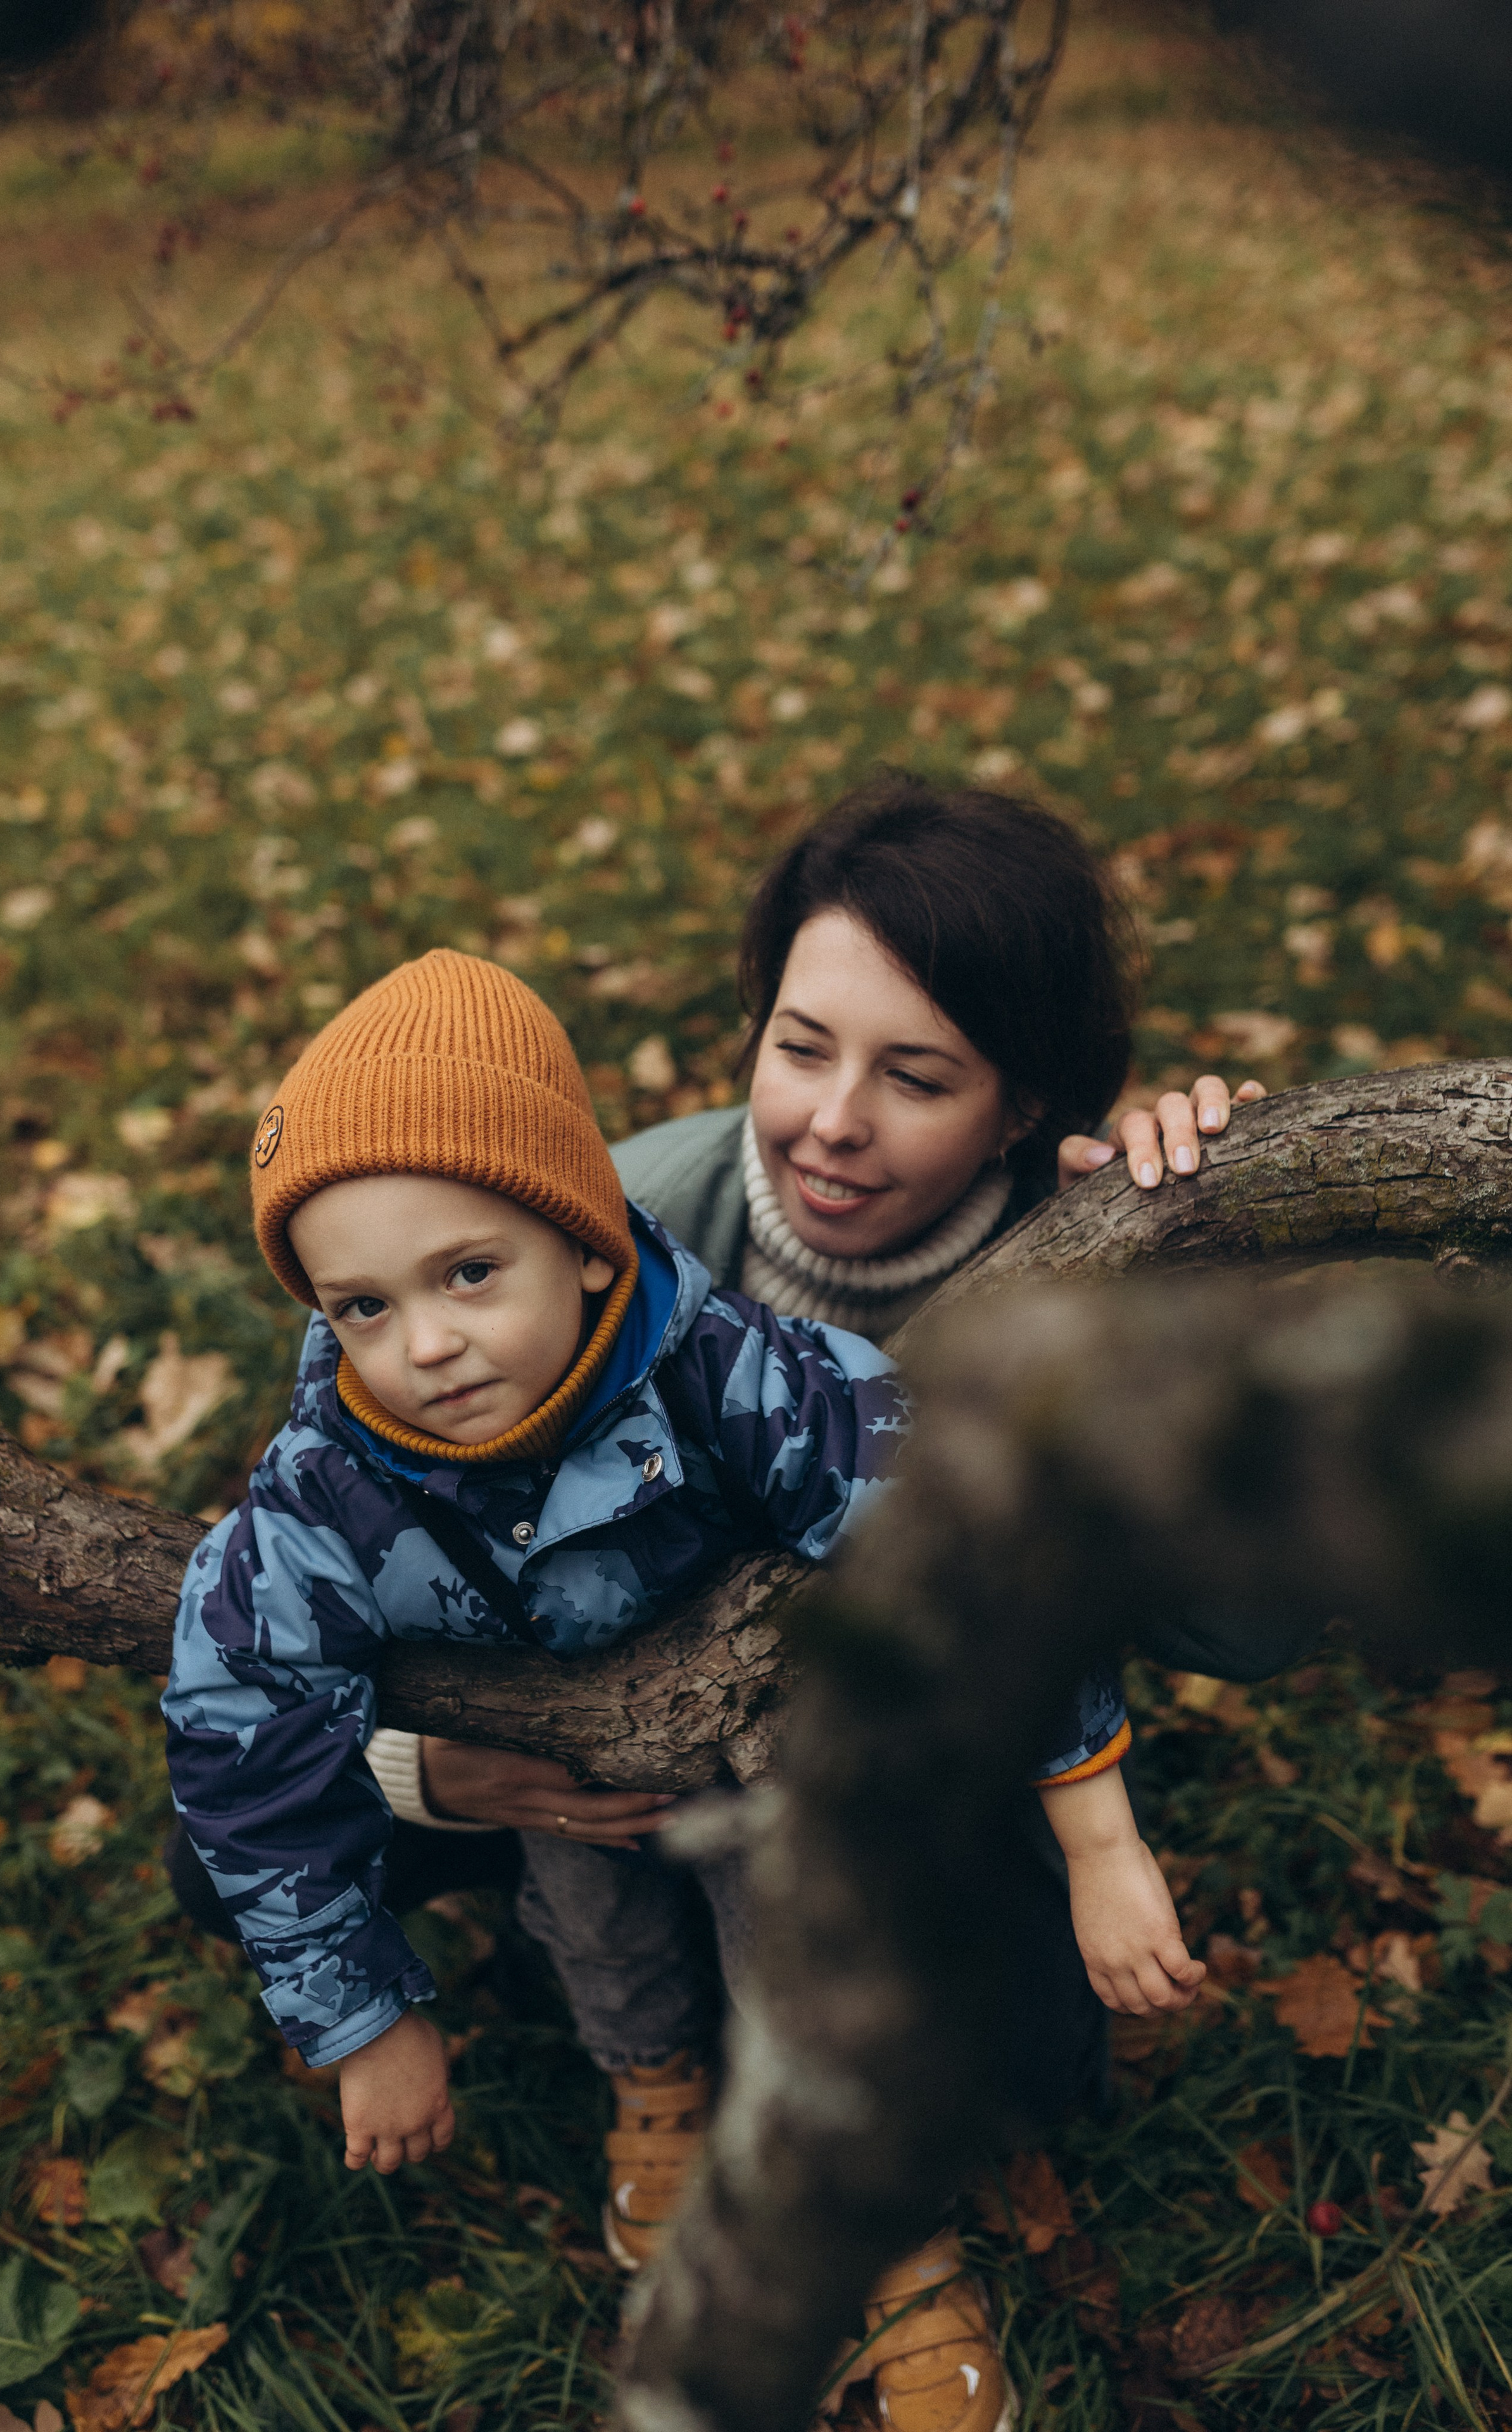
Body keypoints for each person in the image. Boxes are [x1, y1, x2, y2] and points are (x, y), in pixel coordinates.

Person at [356, 774, 1311, 2431]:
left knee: (1027, 2071)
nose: (831, 1122)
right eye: (802, 1046)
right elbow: (350, 1551)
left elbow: (1248, 1632)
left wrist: (1203, 1331)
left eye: (917, 1076)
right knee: (261, 1817)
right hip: (586, 1730)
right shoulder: (615, 1229)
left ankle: (839, 2155)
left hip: (891, 1784)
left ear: (1021, 1109)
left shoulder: (1090, 1273)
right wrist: (449, 1774)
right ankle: (632, 2037)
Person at [162, 941, 1185, 2432]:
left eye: (465, 1275)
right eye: (362, 1309)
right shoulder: (329, 1486)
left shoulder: (734, 1374)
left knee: (821, 1956)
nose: (426, 1345)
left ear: (585, 1242)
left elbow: (972, 1553)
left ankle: (876, 2210)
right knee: (594, 1931)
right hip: (552, 1793)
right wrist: (364, 2016)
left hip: (774, 1772)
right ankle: (652, 2092)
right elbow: (241, 1721)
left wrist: (1097, 1841)